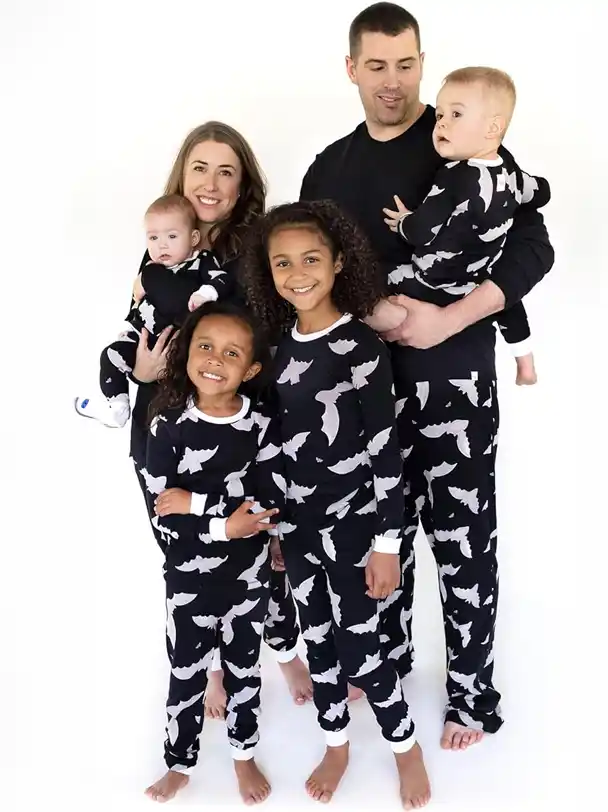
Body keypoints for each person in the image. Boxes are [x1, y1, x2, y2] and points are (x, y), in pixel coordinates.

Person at [299, 2, 555, 751]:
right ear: (350, 68)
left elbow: (533, 246)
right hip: (362, 396)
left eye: (406, 64)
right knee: (380, 541)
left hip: (455, 384)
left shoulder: (463, 137)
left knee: (464, 541)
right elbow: (311, 273)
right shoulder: (328, 168)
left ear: (423, 61)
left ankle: (472, 698)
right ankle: (386, 668)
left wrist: (452, 317)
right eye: (376, 66)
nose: (392, 82)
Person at [240, 199, 431, 810]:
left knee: (363, 649)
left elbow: (385, 453)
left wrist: (387, 544)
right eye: (283, 263)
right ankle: (337, 743)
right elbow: (273, 450)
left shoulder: (358, 346)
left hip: (355, 531)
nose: (298, 273)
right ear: (268, 272)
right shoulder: (276, 350)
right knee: (319, 642)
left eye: (312, 259)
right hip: (296, 530)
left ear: (339, 261)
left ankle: (406, 748)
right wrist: (272, 531)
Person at [125, 122, 313, 716]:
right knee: (182, 552)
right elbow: (136, 337)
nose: (210, 184)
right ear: (182, 175)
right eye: (199, 168)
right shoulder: (159, 246)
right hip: (164, 428)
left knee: (257, 543)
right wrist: (141, 373)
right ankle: (207, 666)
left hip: (237, 429)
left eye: (226, 171)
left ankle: (282, 650)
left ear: (243, 185)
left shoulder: (255, 247)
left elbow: (274, 343)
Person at [142, 301, 283, 804]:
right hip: (188, 578)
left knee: (245, 672)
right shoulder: (168, 425)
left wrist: (201, 505)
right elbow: (165, 509)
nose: (214, 360)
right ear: (185, 355)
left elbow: (267, 504)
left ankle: (243, 756)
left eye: (230, 353)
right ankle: (179, 763)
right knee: (186, 676)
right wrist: (227, 523)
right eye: (205, 346)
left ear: (250, 369)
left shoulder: (261, 426)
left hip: (248, 580)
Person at [379, 66, 550, 386]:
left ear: (492, 128)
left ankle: (387, 330)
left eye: (456, 115)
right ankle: (525, 365)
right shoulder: (511, 173)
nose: (441, 122)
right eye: (440, 115)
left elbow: (422, 230)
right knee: (510, 305)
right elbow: (539, 192)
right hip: (482, 273)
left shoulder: (456, 176)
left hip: (438, 276)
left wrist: (403, 223)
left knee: (388, 285)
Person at [74, 193, 225, 428]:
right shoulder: (150, 267)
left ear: (194, 237)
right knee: (111, 355)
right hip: (143, 346)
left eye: (172, 236)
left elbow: (221, 280)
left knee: (175, 398)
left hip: (179, 348)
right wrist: (128, 328)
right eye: (153, 237)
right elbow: (138, 307)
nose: (161, 245)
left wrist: (204, 294)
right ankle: (117, 407)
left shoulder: (200, 261)